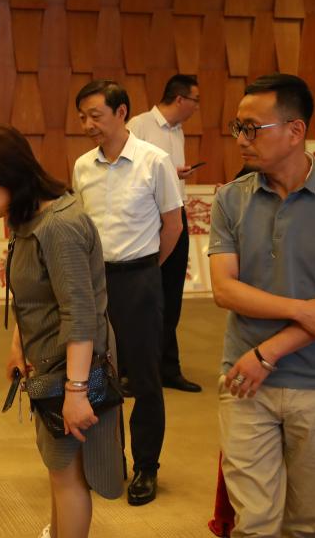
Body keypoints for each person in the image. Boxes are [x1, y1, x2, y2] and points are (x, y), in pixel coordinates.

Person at [208, 73, 315, 536]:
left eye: (251, 128)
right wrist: (302, 309)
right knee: (255, 524)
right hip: (243, 382)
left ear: (295, 130)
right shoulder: (230, 199)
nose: (241, 139)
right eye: (237, 127)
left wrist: (267, 354)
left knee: (305, 524)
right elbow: (225, 291)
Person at [0, 125, 123, 538]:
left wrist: (76, 391)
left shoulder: (59, 226)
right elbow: (33, 294)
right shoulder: (26, 219)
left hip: (71, 365)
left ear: (8, 175)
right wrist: (18, 344)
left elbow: (80, 314)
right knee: (58, 467)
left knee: (69, 475)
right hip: (50, 362)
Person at [71, 80, 183, 506]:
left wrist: (147, 268)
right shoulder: (83, 166)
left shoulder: (155, 161)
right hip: (95, 282)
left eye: (95, 116)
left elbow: (173, 226)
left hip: (140, 279)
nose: (87, 125)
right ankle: (108, 460)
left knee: (145, 378)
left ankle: (147, 467)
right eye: (82, 117)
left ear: (121, 113)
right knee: (100, 374)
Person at [126, 73, 204, 393]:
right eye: (195, 100)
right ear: (180, 99)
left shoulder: (178, 130)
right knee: (143, 296)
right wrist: (170, 172)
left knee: (172, 295)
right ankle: (134, 371)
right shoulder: (139, 125)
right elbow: (128, 168)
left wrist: (176, 174)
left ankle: (168, 368)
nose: (197, 107)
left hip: (176, 214)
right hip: (147, 218)